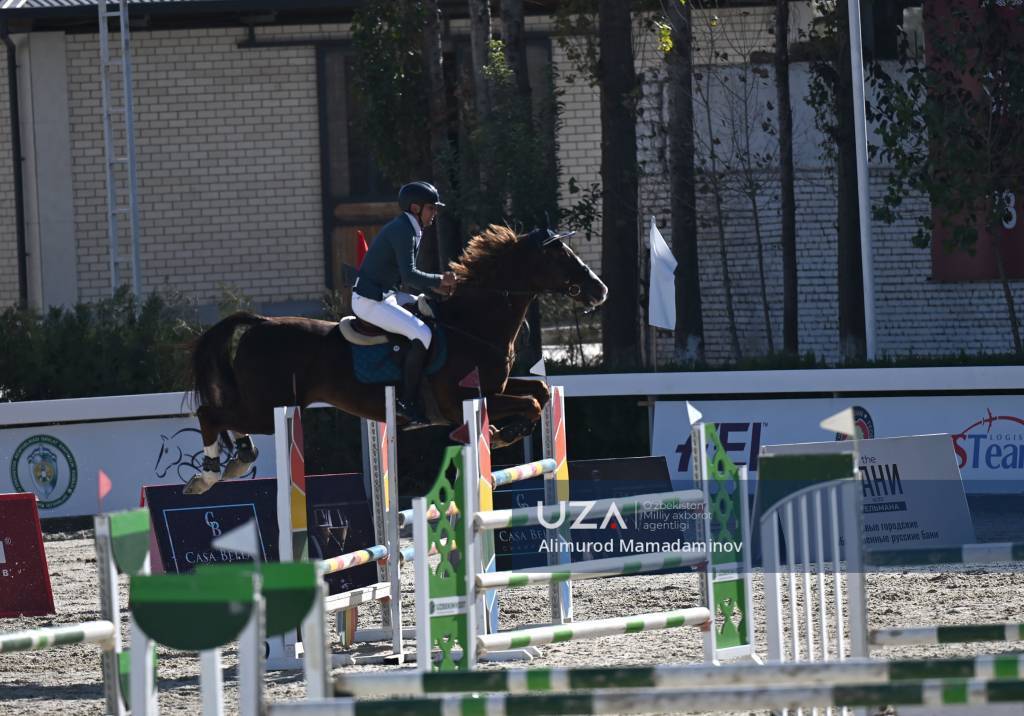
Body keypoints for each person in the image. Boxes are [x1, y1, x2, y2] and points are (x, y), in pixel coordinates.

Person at [351, 181, 458, 426]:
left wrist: (435, 288)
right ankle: (408, 402)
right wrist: (440, 280)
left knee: (428, 309)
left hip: (385, 294)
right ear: (415, 208)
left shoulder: (410, 227)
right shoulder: (404, 230)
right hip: (370, 301)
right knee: (422, 334)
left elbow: (406, 277)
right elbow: (409, 275)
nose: (434, 213)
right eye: (431, 208)